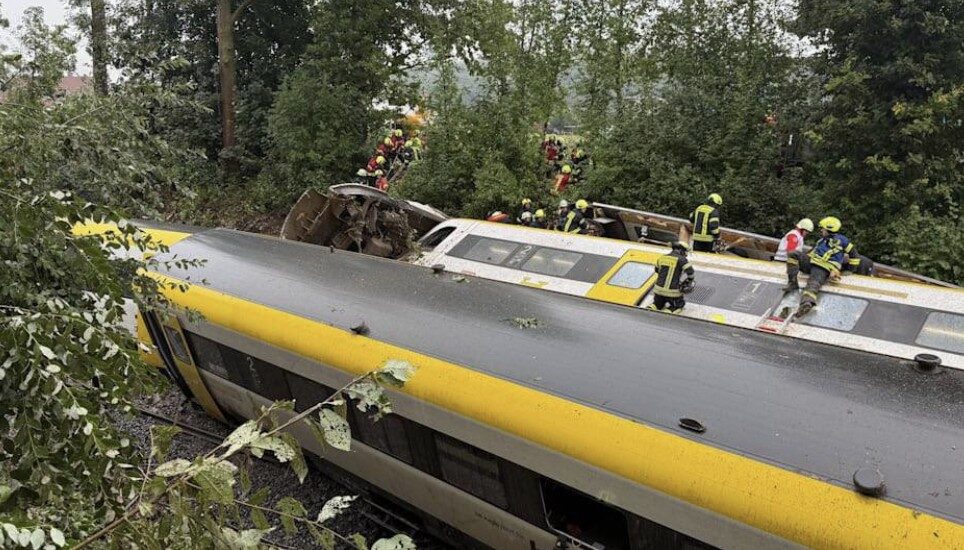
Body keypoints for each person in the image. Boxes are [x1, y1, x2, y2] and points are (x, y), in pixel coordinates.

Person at [784, 216, 858, 316]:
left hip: (824, 268)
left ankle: (807, 303)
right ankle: (792, 282)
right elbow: (811, 252)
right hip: (812, 262)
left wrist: (850, 270)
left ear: (828, 229)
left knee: (813, 285)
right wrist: (804, 259)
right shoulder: (822, 240)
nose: (821, 230)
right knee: (793, 254)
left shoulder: (843, 241)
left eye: (823, 228)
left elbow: (854, 256)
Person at [647, 242, 696, 313]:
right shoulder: (682, 260)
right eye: (685, 251)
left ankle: (651, 308)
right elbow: (690, 272)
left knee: (657, 304)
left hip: (658, 290)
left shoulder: (662, 257)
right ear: (680, 250)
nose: (686, 254)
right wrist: (690, 280)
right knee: (678, 306)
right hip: (673, 292)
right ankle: (668, 312)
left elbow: (657, 270)